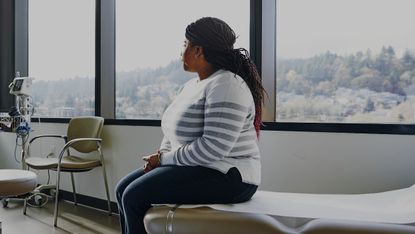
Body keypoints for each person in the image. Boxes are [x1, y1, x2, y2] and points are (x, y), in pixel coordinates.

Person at [115, 17, 265, 234]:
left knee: (133, 196)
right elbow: (171, 135)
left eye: (184, 45)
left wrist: (164, 159)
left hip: (229, 175)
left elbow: (212, 149)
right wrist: (162, 156)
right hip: (198, 167)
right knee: (122, 190)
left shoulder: (227, 84)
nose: (180, 52)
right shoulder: (190, 86)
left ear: (198, 50)